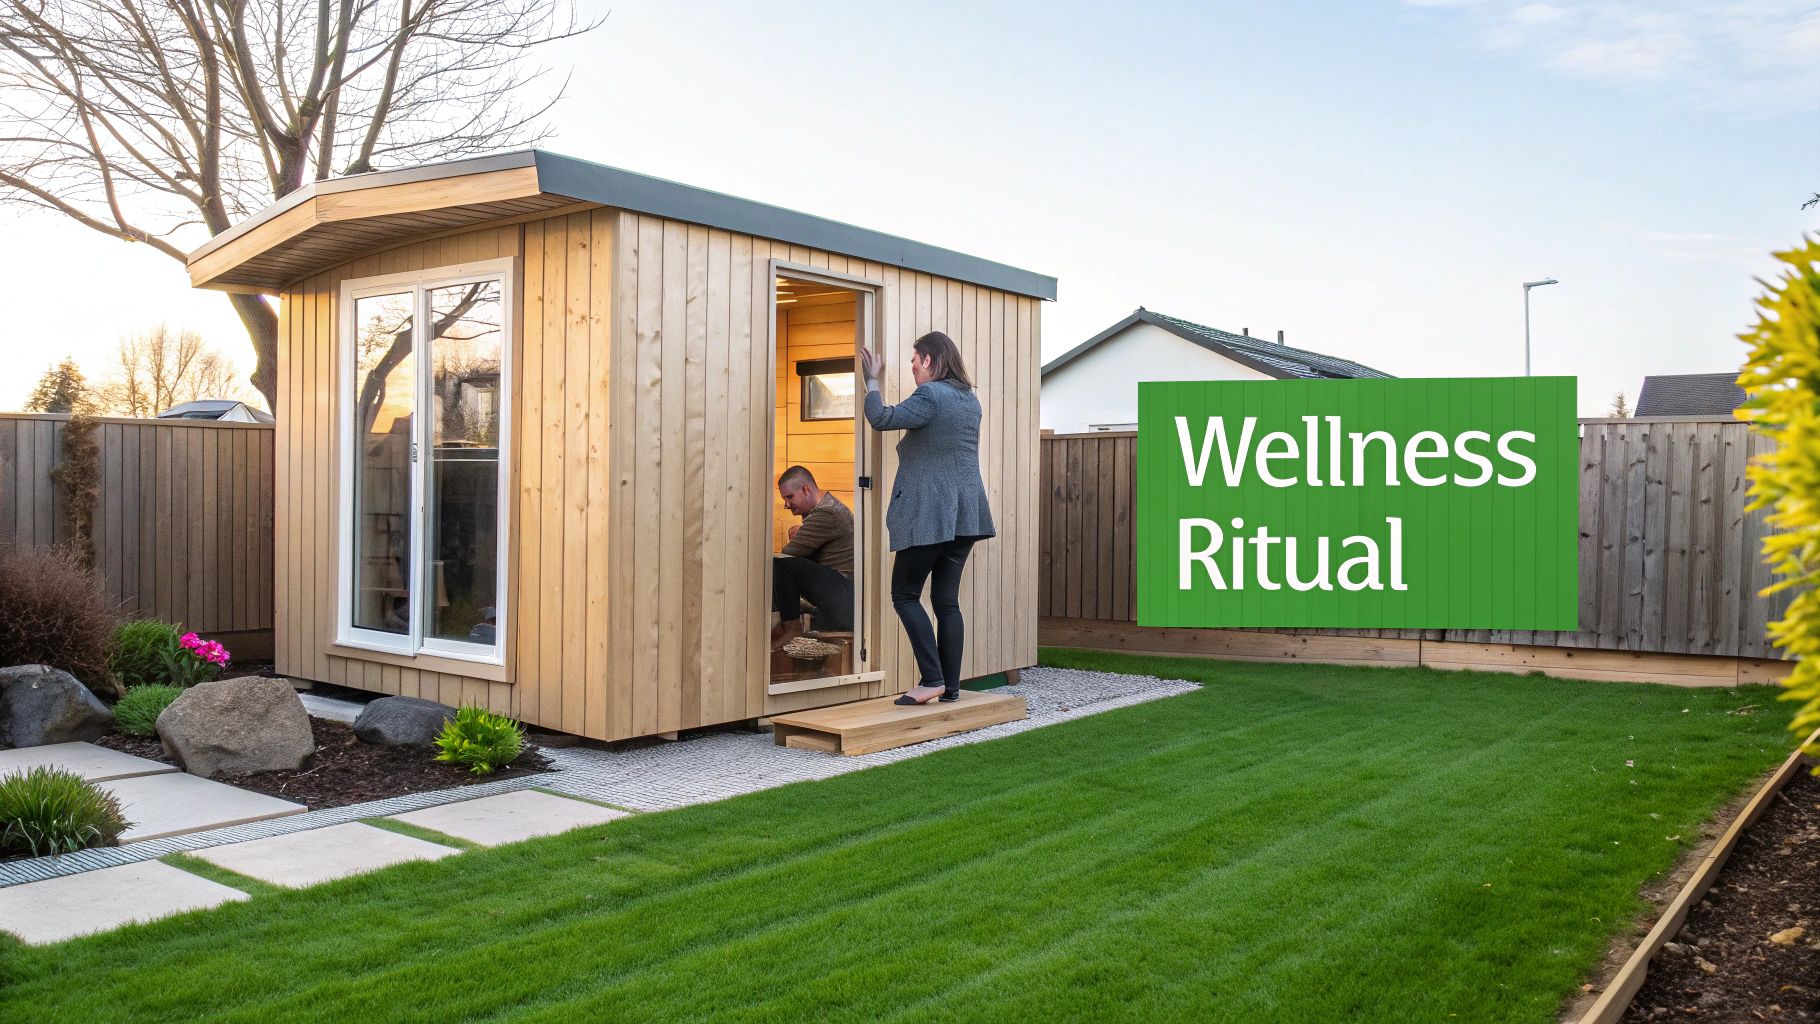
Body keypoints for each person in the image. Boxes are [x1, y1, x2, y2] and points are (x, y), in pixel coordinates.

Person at [859, 331, 995, 705]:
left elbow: (882, 418)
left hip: (931, 514)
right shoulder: (970, 399)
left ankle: (932, 679)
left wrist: (872, 380)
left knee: (904, 594)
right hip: (965, 516)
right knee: (946, 602)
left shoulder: (931, 395)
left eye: (915, 361)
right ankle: (950, 686)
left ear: (931, 360)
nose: (914, 368)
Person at [773, 465, 854, 642]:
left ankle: (791, 627)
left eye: (789, 497)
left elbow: (788, 556)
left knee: (778, 563)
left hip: (845, 597)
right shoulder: (826, 509)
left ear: (805, 489)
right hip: (842, 594)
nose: (786, 504)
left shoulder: (827, 513)